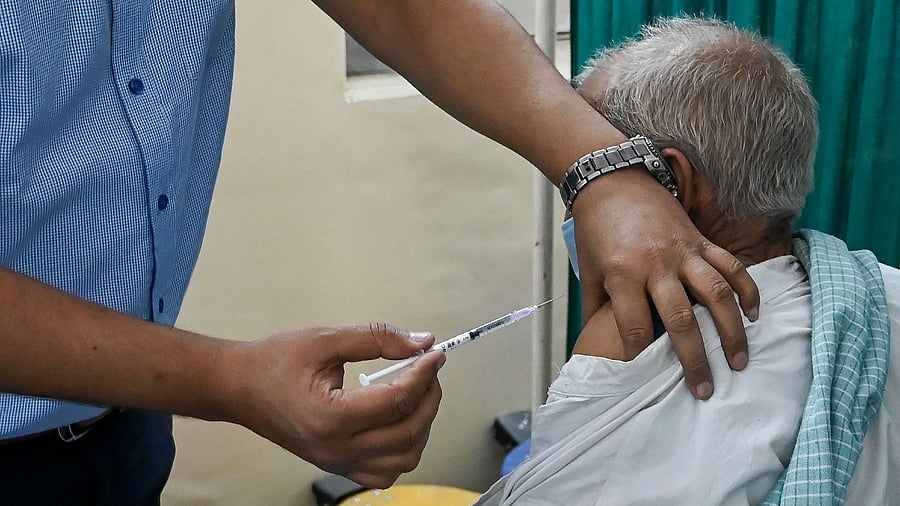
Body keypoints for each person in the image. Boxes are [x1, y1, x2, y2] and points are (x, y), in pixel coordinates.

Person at [0, 1, 758, 503]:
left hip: (122, 434)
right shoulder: (874, 302)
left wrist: (598, 168)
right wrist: (226, 381)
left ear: (675, 183)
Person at [476, 16, 900, 505]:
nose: (574, 210)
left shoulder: (627, 358)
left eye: (589, 178)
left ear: (671, 184)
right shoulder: (881, 293)